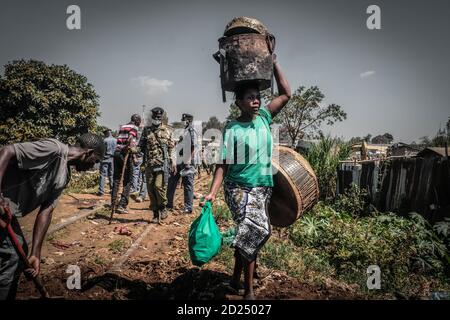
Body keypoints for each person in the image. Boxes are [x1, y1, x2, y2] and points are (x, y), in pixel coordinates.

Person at [201, 55, 291, 300]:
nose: (255, 100)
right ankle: (248, 292)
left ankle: (233, 280)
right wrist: (212, 192)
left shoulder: (264, 116)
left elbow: (286, 93)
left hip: (263, 187)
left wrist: (274, 62)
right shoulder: (232, 128)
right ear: (238, 102)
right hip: (238, 187)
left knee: (251, 233)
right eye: (249, 97)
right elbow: (223, 164)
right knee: (253, 230)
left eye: (257, 96)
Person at [0, 133, 105, 300]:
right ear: (88, 152)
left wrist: (36, 253)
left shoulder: (64, 177)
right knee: (14, 253)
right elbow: (6, 151)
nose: (94, 166)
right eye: (96, 161)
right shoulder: (53, 149)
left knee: (19, 252)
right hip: (2, 208)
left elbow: (46, 211)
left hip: (5, 215)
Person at [138, 107, 175, 223]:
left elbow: (172, 148)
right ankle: (155, 213)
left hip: (162, 164)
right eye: (155, 117)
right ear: (152, 117)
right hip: (149, 164)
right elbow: (141, 146)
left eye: (159, 117)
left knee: (158, 187)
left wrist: (173, 161)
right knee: (150, 189)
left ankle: (163, 207)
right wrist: (133, 149)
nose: (157, 119)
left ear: (161, 117)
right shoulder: (146, 130)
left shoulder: (168, 131)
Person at [167, 113, 199, 214]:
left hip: (187, 161)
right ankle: (168, 204)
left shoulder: (191, 131)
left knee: (187, 184)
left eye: (184, 120)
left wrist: (188, 161)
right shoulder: (183, 131)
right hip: (179, 160)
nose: (182, 121)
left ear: (188, 121)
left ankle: (188, 207)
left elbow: (193, 147)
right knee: (172, 181)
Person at [112, 114, 141, 214]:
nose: (140, 123)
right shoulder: (134, 128)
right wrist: (133, 155)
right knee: (128, 180)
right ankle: (122, 205)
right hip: (125, 154)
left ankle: (113, 203)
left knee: (116, 179)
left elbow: (119, 139)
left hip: (116, 153)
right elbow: (131, 139)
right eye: (139, 121)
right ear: (137, 121)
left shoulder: (123, 127)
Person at [98, 129, 116, 196]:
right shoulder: (115, 140)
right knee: (111, 175)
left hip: (105, 159)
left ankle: (101, 191)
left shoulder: (104, 140)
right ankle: (112, 190)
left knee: (102, 175)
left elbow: (102, 151)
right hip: (112, 159)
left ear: (106, 133)